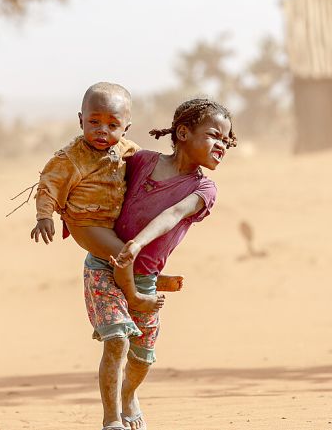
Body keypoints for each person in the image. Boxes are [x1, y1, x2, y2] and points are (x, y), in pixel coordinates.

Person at [84, 98, 236, 430]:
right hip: (104, 266)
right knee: (117, 339)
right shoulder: (140, 160)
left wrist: (137, 244)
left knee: (142, 357)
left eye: (226, 140)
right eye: (214, 135)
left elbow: (172, 215)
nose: (222, 145)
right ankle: (111, 419)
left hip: (145, 278)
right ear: (182, 132)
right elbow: (98, 170)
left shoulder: (203, 188)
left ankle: (129, 395)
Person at [30, 82, 179, 312]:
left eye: (112, 125)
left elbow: (149, 163)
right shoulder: (71, 157)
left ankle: (146, 278)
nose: (102, 130)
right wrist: (44, 217)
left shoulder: (126, 149)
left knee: (134, 245)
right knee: (122, 253)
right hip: (86, 222)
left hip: (111, 220)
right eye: (94, 122)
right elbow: (49, 184)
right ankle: (134, 295)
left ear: (126, 128)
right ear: (81, 120)